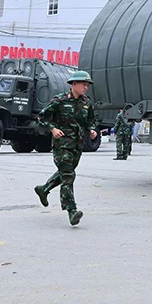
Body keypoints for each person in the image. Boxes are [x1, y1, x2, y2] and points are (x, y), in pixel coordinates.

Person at [34, 71, 97, 226]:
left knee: (66, 172)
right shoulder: (60, 100)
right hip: (62, 145)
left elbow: (90, 120)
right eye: (83, 84)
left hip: (77, 145)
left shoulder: (86, 103)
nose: (86, 87)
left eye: (87, 85)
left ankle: (44, 189)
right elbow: (42, 117)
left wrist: (92, 130)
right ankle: (72, 211)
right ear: (74, 84)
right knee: (68, 176)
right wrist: (53, 129)